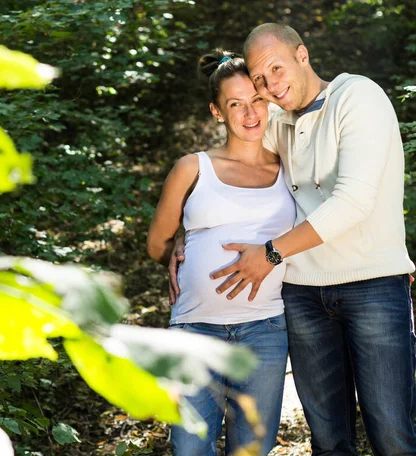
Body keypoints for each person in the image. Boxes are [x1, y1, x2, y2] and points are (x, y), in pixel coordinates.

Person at [170, 23, 416, 455]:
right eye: (260, 80)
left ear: (303, 55)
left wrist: (270, 253)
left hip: (372, 285)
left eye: (276, 69)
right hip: (301, 294)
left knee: (392, 432)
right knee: (327, 437)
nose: (270, 86)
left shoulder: (357, 97)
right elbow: (231, 178)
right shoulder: (276, 125)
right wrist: (184, 232)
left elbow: (354, 201)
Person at [146, 49, 296, 455]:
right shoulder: (192, 168)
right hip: (195, 330)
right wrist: (184, 253)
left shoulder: (290, 168)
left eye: (257, 101)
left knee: (251, 450)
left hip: (264, 330)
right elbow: (157, 242)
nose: (250, 114)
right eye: (236, 104)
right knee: (190, 449)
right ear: (217, 111)